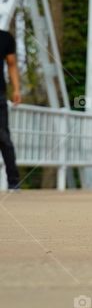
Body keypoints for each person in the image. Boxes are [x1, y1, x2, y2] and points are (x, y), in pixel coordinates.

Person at [0, 28, 22, 191]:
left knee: (4, 138)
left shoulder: (5, 37)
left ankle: (13, 181)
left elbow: (12, 64)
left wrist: (16, 89)